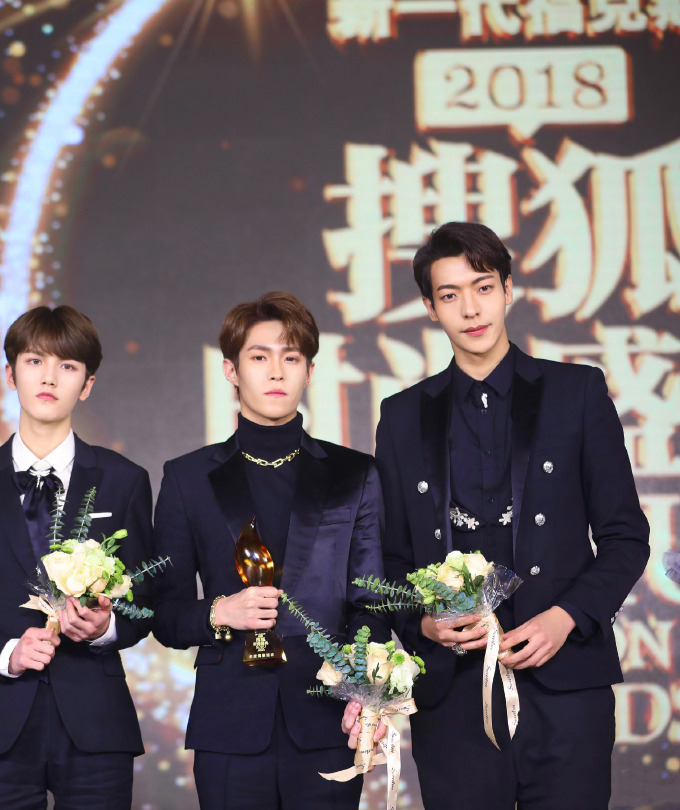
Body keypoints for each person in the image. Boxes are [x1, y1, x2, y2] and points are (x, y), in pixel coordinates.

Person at [374, 221, 650, 809]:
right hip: (452, 698)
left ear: (508, 290)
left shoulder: (576, 394)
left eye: (483, 287)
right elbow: (389, 558)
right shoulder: (401, 417)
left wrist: (566, 618)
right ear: (430, 307)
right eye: (450, 295)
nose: (471, 309)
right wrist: (423, 624)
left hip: (567, 685)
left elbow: (626, 537)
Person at [151, 291, 387, 809]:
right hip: (229, 724)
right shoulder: (188, 478)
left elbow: (372, 602)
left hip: (328, 720)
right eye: (259, 357)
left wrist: (367, 692)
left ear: (310, 371)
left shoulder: (354, 474)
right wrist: (220, 612)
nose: (276, 371)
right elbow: (164, 614)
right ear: (231, 371)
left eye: (291, 357)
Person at [0, 305, 152, 810]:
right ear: (10, 374)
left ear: (87, 384)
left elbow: (147, 600)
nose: (49, 378)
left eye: (67, 366)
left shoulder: (124, 480)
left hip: (97, 723)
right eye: (35, 361)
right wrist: (6, 653)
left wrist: (106, 627)